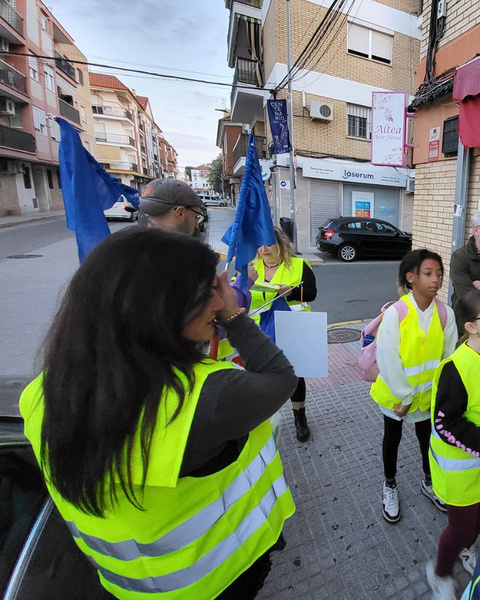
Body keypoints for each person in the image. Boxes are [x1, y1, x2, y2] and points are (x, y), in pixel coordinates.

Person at [18, 228, 297, 600]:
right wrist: (232, 315)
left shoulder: (39, 393)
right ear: (158, 309)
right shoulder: (205, 398)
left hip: (129, 586)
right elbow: (280, 378)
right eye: (207, 295)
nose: (216, 303)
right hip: (219, 580)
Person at [426, 290, 480, 600]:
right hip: (460, 468)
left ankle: (464, 549)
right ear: (471, 326)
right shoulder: (456, 367)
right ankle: (439, 572)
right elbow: (443, 422)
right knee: (461, 527)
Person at [370, 249, 457, 523]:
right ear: (411, 277)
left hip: (428, 397)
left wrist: (442, 394)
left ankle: (429, 481)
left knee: (427, 439)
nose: (436, 280)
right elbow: (387, 356)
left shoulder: (445, 313)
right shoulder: (396, 313)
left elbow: (448, 357)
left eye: (439, 275)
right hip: (397, 397)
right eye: (429, 274)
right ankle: (390, 485)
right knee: (392, 439)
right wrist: (404, 395)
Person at [247, 227, 317, 442]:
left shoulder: (298, 265)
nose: (264, 248)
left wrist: (292, 292)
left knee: (295, 375)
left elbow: (312, 293)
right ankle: (262, 420)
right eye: (260, 244)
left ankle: (300, 418)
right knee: (262, 378)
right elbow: (237, 296)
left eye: (269, 243)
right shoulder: (251, 267)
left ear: (281, 244)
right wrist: (246, 281)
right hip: (260, 331)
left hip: (293, 327)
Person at [138, 178, 206, 235]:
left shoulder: (135, 245)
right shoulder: (185, 250)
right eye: (196, 217)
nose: (196, 225)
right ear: (180, 213)